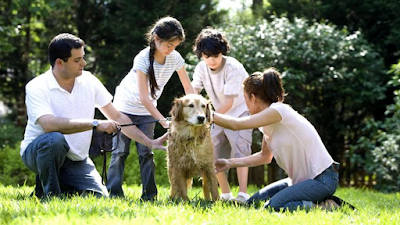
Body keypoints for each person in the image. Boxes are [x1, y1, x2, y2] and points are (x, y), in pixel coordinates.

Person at [20, 33, 167, 198]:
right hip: (38, 153)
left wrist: (149, 142)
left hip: (77, 160)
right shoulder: (37, 86)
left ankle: (58, 184)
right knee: (54, 139)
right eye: (77, 60)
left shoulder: (89, 80)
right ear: (60, 63)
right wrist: (95, 124)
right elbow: (49, 124)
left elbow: (117, 117)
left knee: (100, 197)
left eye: (83, 57)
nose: (83, 63)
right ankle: (51, 196)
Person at [213, 68, 340, 211]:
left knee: (273, 207)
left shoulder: (279, 111)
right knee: (252, 204)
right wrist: (228, 162)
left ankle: (325, 206)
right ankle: (316, 198)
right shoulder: (267, 123)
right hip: (299, 182)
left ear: (253, 98)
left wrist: (204, 112)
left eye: (245, 98)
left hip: (322, 178)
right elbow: (264, 157)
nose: (245, 103)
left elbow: (235, 124)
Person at [107, 16, 195, 200]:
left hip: (147, 111)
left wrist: (196, 110)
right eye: (169, 45)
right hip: (124, 108)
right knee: (120, 152)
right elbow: (144, 97)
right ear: (156, 38)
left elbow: (188, 88)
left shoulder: (175, 58)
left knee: (146, 152)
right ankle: (114, 193)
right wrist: (162, 120)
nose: (172, 50)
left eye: (175, 46)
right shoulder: (142, 59)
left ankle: (149, 195)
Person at [191, 27, 252, 204]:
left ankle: (243, 195)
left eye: (215, 56)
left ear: (222, 52)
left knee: (241, 153)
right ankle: (226, 195)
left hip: (240, 114)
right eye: (206, 56)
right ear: (201, 55)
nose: (211, 60)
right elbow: (194, 92)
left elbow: (230, 103)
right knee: (212, 154)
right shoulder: (201, 68)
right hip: (217, 115)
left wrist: (208, 118)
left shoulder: (233, 67)